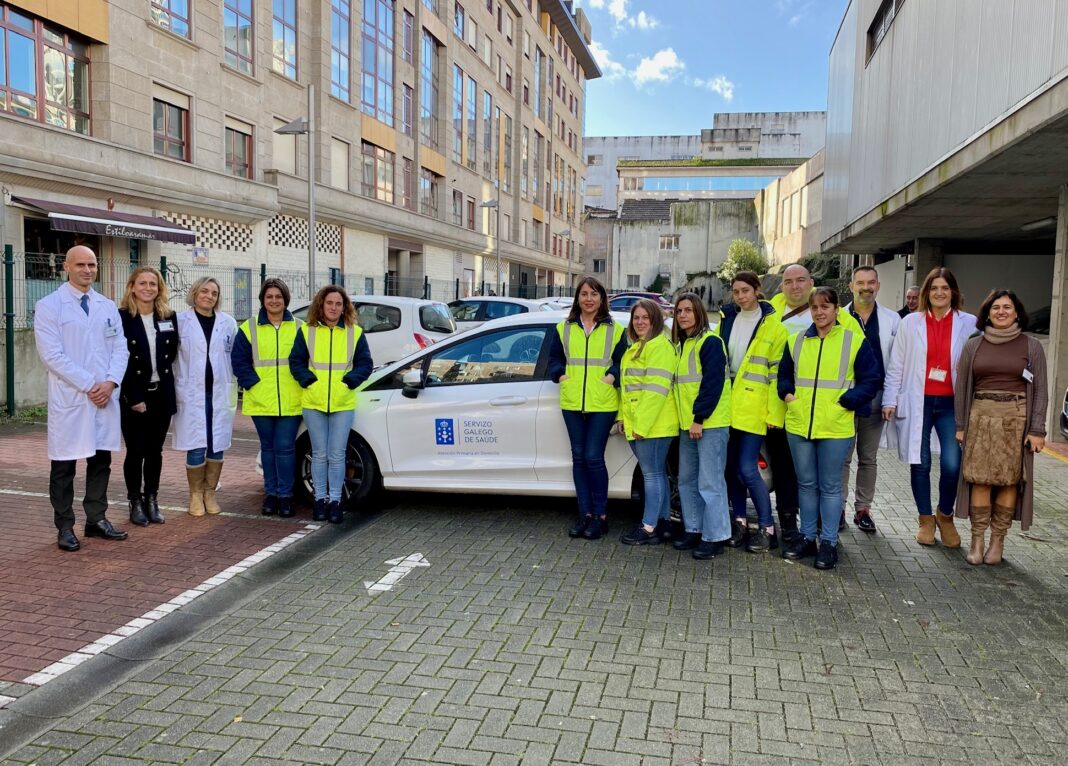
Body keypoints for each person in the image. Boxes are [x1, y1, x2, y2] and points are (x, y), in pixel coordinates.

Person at [778, 288, 881, 570]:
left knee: (830, 487)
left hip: (835, 425)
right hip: (799, 424)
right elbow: (784, 376)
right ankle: (807, 537)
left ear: (836, 309)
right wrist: (789, 396)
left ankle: (829, 542)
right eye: (814, 307)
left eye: (825, 306)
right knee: (806, 485)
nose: (819, 312)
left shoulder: (854, 341)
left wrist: (846, 401)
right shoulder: (795, 340)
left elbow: (871, 381)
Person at [34, 245, 130, 551]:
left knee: (101, 461)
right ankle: (64, 526)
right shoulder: (49, 306)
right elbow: (52, 355)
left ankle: (96, 519)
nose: (87, 270)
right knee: (64, 466)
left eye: (92, 265)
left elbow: (120, 348)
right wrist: (90, 385)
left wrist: (111, 382)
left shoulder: (107, 306)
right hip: (72, 398)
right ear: (66, 267)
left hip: (104, 396)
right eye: (80, 265)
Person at [883, 267, 977, 546]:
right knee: (920, 462)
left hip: (951, 403)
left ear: (953, 292)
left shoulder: (969, 323)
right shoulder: (910, 322)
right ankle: (925, 519)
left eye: (945, 288)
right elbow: (897, 364)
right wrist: (889, 399)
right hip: (918, 400)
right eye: (934, 288)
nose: (939, 293)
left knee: (952, 463)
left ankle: (945, 515)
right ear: (926, 292)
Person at [954, 290, 1048, 565]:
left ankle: (997, 541)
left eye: (1007, 307)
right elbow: (962, 388)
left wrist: (1037, 429)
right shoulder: (973, 345)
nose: (1001, 312)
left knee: (1010, 480)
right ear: (987, 313)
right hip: (980, 420)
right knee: (979, 479)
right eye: (996, 307)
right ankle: (977, 540)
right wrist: (961, 425)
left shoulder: (1032, 346)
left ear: (1017, 313)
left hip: (1016, 422)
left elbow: (1041, 390)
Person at [548, 276, 626, 541]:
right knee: (579, 457)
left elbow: (623, 362)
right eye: (584, 294)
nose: (589, 299)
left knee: (593, 457)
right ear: (577, 298)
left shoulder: (615, 329)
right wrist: (560, 376)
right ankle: (585, 515)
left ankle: (600, 517)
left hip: (603, 401)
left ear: (602, 298)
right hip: (572, 401)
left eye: (594, 294)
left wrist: (612, 377)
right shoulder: (563, 328)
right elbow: (554, 359)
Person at [289, 286, 373, 523]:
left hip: (342, 403)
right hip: (313, 402)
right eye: (329, 303)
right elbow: (296, 361)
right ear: (321, 305)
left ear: (344, 307)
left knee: (337, 455)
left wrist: (350, 381)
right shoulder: (307, 332)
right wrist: (307, 380)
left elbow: (365, 364)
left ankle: (335, 501)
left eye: (338, 304)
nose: (334, 308)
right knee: (319, 454)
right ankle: (319, 500)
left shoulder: (355, 333)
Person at [718, 272, 788, 553]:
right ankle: (740, 523)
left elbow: (776, 375)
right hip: (727, 405)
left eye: (745, 290)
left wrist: (774, 414)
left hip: (754, 407)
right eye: (736, 291)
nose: (740, 296)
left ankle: (768, 529)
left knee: (747, 468)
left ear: (758, 290)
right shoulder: (727, 320)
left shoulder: (774, 327)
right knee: (732, 469)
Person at [232, 278, 303, 518]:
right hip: (260, 399)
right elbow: (239, 361)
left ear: (286, 300)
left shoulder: (300, 327)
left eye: (278, 297)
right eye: (269, 296)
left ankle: (286, 496)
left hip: (291, 399)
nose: (274, 301)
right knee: (268, 448)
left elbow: (308, 360)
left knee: (285, 448)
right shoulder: (249, 327)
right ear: (263, 300)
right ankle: (271, 494)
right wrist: (253, 384)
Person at [671, 292, 732, 559]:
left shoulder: (710, 342)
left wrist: (699, 418)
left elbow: (712, 384)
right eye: (679, 311)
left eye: (688, 310)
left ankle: (715, 535)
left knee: (710, 482)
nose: (682, 315)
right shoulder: (682, 345)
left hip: (708, 424)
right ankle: (694, 529)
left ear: (699, 312)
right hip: (689, 425)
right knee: (686, 481)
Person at [118, 266, 179, 526]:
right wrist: (133, 397)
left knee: (155, 451)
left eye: (153, 284)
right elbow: (119, 360)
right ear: (132, 287)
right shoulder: (121, 317)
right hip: (134, 395)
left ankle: (151, 499)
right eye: (142, 283)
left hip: (161, 394)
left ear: (159, 288)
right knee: (136, 451)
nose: (148, 288)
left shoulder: (168, 316)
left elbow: (171, 354)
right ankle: (135, 501)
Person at [840, 265, 899, 532]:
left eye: (871, 282)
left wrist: (891, 399)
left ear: (878, 285)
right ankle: (837, 508)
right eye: (860, 283)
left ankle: (863, 509)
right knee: (842, 457)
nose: (866, 287)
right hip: (845, 398)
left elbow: (896, 363)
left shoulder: (892, 320)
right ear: (851, 286)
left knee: (868, 458)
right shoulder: (839, 317)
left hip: (876, 398)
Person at [174, 277, 238, 517]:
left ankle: (210, 493)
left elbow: (235, 357)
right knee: (196, 445)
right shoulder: (180, 321)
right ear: (195, 293)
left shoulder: (228, 323)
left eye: (214, 293)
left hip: (219, 393)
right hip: (192, 394)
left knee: (216, 444)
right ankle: (195, 495)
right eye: (204, 291)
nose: (209, 296)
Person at [618, 300, 679, 545]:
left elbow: (655, 392)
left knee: (651, 475)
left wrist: (641, 426)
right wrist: (623, 417)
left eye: (646, 317)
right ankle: (663, 523)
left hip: (653, 425)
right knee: (658, 474)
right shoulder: (638, 346)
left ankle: (648, 527)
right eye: (636, 318)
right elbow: (628, 389)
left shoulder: (659, 347)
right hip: (642, 423)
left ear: (655, 320)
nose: (640, 322)